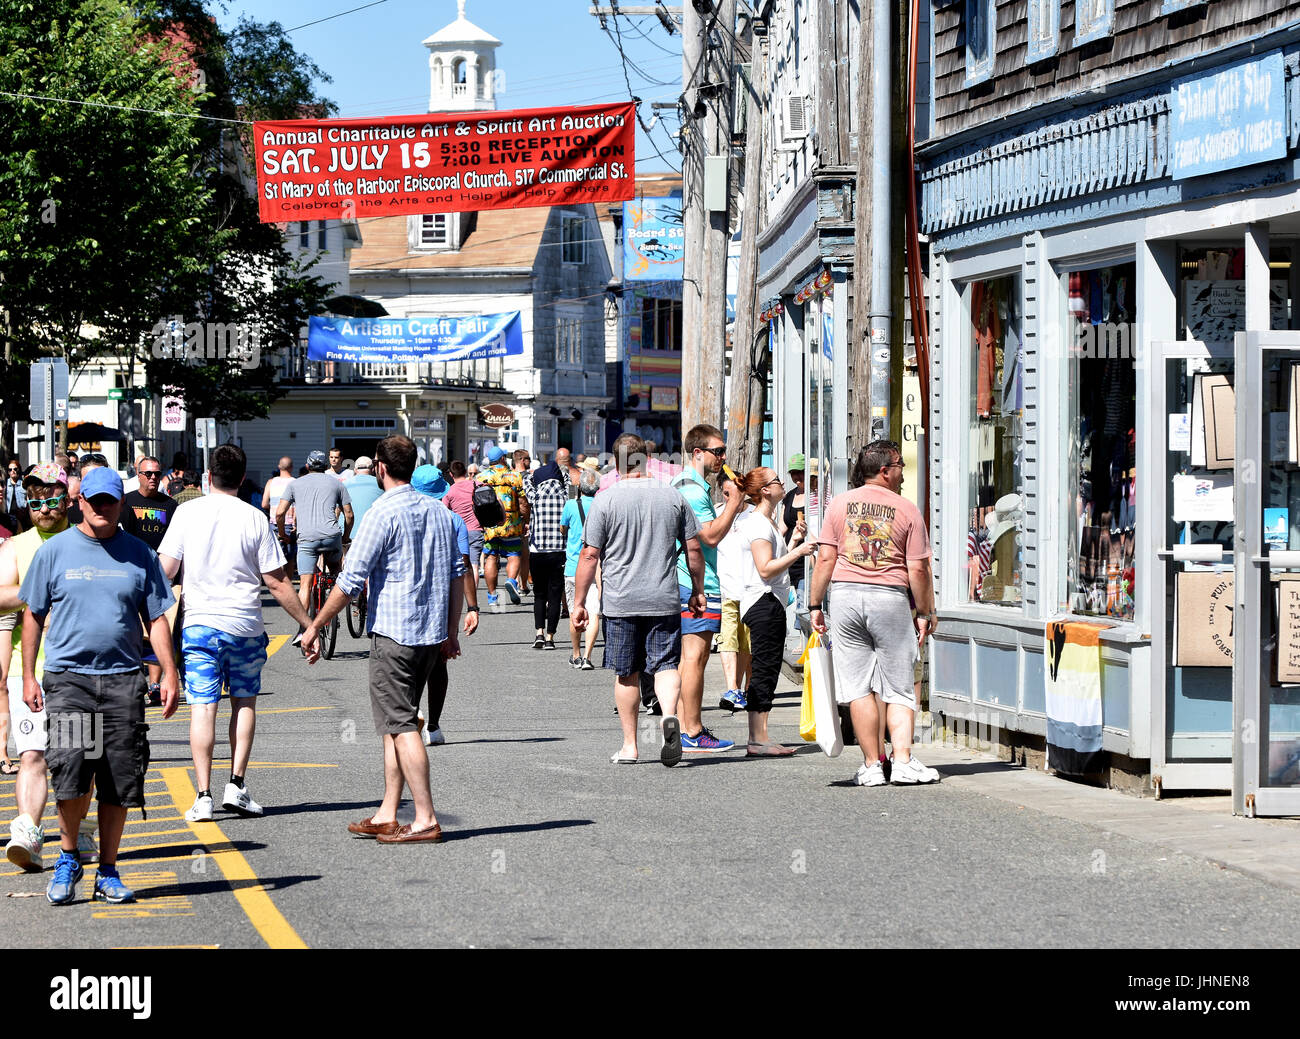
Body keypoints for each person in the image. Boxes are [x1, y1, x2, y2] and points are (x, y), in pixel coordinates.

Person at [19, 467, 178, 904]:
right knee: (71, 772)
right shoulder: (55, 553)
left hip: (124, 682)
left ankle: (108, 870)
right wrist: (30, 675)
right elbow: (31, 615)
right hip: (70, 680)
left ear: (120, 504)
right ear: (80, 502)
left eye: (111, 500)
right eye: (95, 500)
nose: (103, 507)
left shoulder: (140, 554)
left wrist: (169, 672)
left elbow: (156, 618)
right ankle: (69, 857)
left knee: (118, 779)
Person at [302, 435, 464, 843]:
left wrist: (316, 624)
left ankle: (424, 817)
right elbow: (457, 575)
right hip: (429, 634)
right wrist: (450, 630)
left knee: (403, 724)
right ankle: (388, 812)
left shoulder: (381, 512)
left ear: (380, 467)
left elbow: (350, 580)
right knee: (397, 723)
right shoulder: (440, 512)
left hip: (395, 633)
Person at [159, 444, 318, 821]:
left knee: (202, 706)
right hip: (245, 624)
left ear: (208, 476)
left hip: (199, 624)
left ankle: (203, 795)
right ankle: (237, 784)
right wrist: (307, 624)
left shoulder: (186, 512)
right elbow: (278, 583)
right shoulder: (253, 518)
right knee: (244, 701)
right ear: (243, 479)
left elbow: (165, 571)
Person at [809, 440, 940, 786]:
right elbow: (919, 570)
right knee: (898, 686)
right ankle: (902, 761)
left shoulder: (838, 505)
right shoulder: (907, 509)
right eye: (900, 466)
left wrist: (814, 605)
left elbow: (825, 559)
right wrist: (925, 611)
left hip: (845, 598)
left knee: (857, 688)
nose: (902, 473)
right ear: (885, 470)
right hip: (889, 597)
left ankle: (870, 766)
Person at [572, 433, 704, 767]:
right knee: (666, 665)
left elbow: (589, 555)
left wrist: (579, 602)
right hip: (664, 597)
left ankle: (631, 746)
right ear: (644, 458)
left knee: (626, 672)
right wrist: (698, 589)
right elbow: (693, 548)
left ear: (616, 463)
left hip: (620, 601)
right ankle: (669, 717)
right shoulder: (672, 496)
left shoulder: (606, 498)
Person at [0, 462, 96, 870]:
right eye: (36, 499)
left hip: (84, 670)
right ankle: (29, 831)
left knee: (80, 762)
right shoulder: (16, 546)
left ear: (67, 500)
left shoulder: (89, 541)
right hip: (34, 673)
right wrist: (38, 594)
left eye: (52, 497)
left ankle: (78, 833)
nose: (44, 506)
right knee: (33, 755)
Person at [732, 467, 818, 757]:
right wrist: (799, 551)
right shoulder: (758, 523)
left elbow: (773, 559)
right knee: (765, 668)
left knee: (766, 667)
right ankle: (757, 738)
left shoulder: (765, 522)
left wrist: (792, 541)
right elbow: (765, 568)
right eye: (777, 480)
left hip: (769, 601)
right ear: (766, 490)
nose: (783, 483)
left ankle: (761, 735)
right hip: (763, 601)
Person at [670, 424, 745, 754]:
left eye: (723, 451)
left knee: (689, 659)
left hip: (689, 580)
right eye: (717, 451)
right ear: (697, 453)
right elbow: (709, 536)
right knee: (696, 658)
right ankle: (693, 729)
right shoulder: (692, 490)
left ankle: (686, 727)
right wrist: (733, 504)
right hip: (696, 582)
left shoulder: (690, 485)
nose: (723, 457)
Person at [410, 465, 479, 747]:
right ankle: (435, 727)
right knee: (438, 661)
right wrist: (473, 607)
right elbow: (463, 566)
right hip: (441, 599)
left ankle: (410, 713)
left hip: (408, 598)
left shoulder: (403, 516)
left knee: (408, 660)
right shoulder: (453, 520)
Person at [120, 455, 181, 704]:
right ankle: (134, 680)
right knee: (135, 631)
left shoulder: (170, 505)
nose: (153, 478)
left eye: (157, 473)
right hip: (133, 574)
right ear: (138, 475)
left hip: (163, 576)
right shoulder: (128, 503)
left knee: (160, 627)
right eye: (148, 474)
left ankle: (155, 685)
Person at [276, 449, 353, 634]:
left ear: (307, 466)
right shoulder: (337, 483)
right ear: (326, 467)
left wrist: (283, 534)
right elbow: (349, 515)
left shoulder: (295, 484)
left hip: (307, 539)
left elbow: (279, 513)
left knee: (305, 584)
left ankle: (303, 628)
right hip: (331, 536)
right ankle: (333, 609)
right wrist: (344, 537)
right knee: (336, 571)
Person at [716, 476, 755, 711]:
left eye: (735, 493)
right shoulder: (717, 512)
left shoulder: (755, 514)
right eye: (726, 493)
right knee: (728, 638)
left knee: (747, 642)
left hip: (752, 588)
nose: (730, 498)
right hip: (727, 587)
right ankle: (732, 688)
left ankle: (748, 688)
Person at [523, 451, 569, 650]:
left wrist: (532, 475)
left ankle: (539, 633)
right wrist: (561, 473)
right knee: (555, 594)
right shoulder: (565, 495)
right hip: (559, 550)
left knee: (539, 594)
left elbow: (525, 480)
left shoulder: (536, 495)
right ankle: (551, 637)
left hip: (537, 550)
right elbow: (567, 478)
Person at [477, 444, 528, 608]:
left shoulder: (480, 477)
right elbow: (523, 503)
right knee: (514, 555)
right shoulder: (514, 476)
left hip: (490, 524)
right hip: (511, 523)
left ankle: (492, 597)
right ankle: (511, 580)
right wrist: (525, 520)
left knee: (491, 557)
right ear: (501, 459)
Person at [561, 462, 602, 669]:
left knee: (575, 610)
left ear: (580, 487)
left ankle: (576, 654)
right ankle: (588, 656)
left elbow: (563, 529)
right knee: (593, 612)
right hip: (596, 567)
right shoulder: (601, 505)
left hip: (573, 567)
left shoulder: (570, 505)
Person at [441, 460, 484, 585]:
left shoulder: (449, 491)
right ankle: (473, 595)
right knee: (474, 564)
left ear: (451, 474)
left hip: (458, 532)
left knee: (460, 566)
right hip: (476, 529)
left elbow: (444, 512)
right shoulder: (477, 484)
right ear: (465, 472)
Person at [263, 456, 297, 576]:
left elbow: (264, 503)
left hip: (274, 523)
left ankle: (279, 582)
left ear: (279, 467)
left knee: (276, 556)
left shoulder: (270, 482)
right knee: (290, 557)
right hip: (290, 524)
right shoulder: (295, 482)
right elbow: (297, 505)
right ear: (291, 467)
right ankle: (288, 583)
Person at [341, 455, 383, 536]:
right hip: (372, 535)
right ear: (373, 469)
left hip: (346, 536)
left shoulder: (343, 485)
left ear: (355, 470)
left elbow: (336, 512)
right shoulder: (381, 484)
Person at [512, 449, 534, 595]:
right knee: (525, 554)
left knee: (513, 553)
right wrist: (527, 520)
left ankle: (514, 581)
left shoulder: (509, 477)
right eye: (528, 459)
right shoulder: (529, 477)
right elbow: (525, 503)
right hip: (524, 518)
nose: (530, 461)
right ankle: (522, 585)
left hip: (509, 520)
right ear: (521, 460)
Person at [4, 460, 27, 532]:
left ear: (19, 470)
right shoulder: (4, 484)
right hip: (9, 516)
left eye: (15, 469)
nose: (12, 471)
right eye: (10, 470)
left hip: (22, 516)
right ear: (8, 472)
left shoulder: (24, 483)